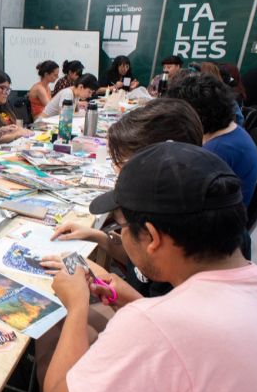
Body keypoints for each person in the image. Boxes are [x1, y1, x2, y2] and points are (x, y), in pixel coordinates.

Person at [42, 142, 257, 392]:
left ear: (152, 238)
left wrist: (77, 305)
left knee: (51, 332)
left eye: (120, 227)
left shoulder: (152, 328)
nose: (121, 235)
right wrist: (132, 300)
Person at [41, 98, 204, 298]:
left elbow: (149, 314)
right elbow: (137, 259)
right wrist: (97, 235)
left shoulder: (177, 237)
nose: (118, 172)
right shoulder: (167, 206)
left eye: (124, 165)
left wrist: (96, 279)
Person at [166, 73, 257, 206]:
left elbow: (182, 195)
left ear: (197, 115)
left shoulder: (216, 151)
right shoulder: (231, 132)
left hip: (216, 220)